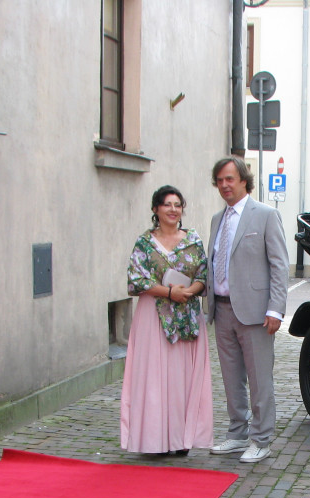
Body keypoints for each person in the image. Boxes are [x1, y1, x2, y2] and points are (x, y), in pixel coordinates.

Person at [206, 157, 290, 463]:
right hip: (223, 308)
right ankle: (237, 433)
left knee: (259, 378)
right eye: (219, 180)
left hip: (256, 312)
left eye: (230, 179)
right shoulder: (217, 219)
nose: (225, 185)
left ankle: (261, 438)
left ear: (244, 180)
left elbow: (279, 264)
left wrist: (276, 309)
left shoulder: (266, 215)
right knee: (231, 378)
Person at [121, 186, 213, 456]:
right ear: (155, 209)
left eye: (177, 204)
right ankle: (155, 440)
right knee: (154, 377)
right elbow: (137, 279)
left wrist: (189, 292)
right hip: (153, 315)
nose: (173, 209)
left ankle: (182, 438)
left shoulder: (193, 240)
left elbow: (203, 274)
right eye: (167, 204)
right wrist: (170, 292)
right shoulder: (144, 243)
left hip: (186, 314)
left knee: (181, 377)